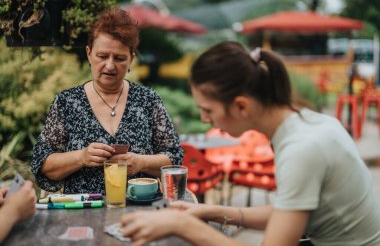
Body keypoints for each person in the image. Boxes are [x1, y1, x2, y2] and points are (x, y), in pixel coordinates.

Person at [119, 41, 380, 246]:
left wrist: (183, 225)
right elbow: (285, 212)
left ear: (241, 106)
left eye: (207, 110)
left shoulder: (302, 148)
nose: (203, 119)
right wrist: (208, 211)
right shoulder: (307, 124)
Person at [31, 8, 183, 194]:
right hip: (83, 214)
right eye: (102, 56)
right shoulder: (66, 102)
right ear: (89, 53)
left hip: (141, 213)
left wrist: (141, 162)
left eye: (119, 58)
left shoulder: (148, 100)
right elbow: (42, 164)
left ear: (131, 59)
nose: (110, 66)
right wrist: (81, 157)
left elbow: (175, 158)